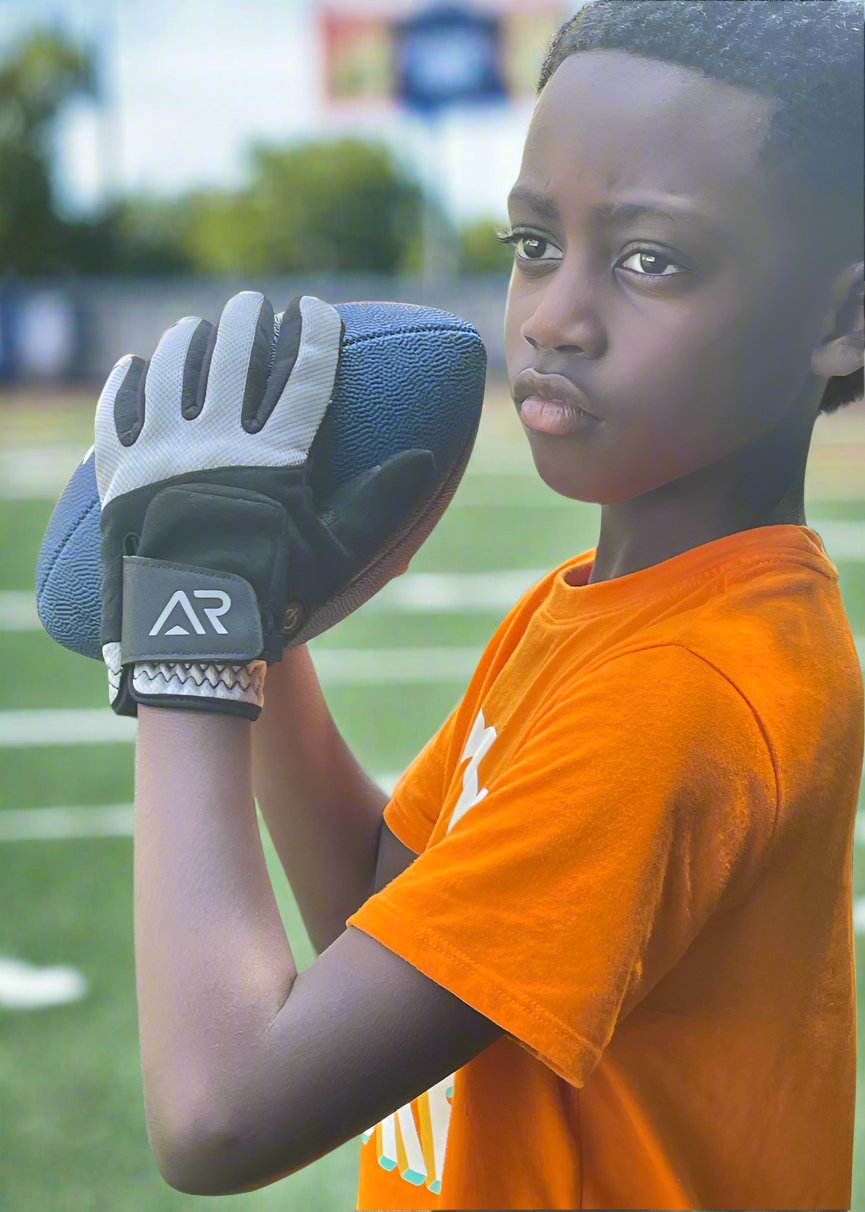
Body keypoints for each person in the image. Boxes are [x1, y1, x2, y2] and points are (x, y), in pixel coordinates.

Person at [128, 2, 864, 1209]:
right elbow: (384, 905)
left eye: (649, 261)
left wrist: (191, 637)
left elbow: (220, 1116)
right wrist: (266, 621)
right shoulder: (599, 609)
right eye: (533, 244)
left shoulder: (683, 690)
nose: (553, 318)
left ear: (842, 320)